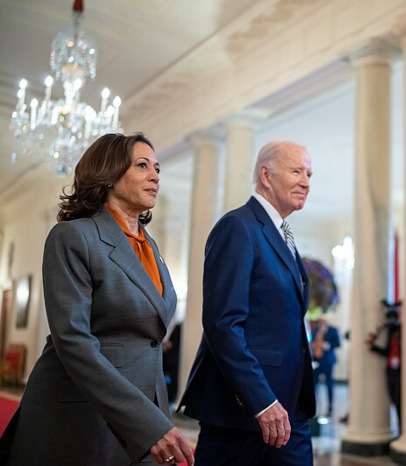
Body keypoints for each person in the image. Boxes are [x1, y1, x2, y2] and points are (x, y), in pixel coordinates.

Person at [0, 133, 194, 465]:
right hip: (85, 410)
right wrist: (146, 423)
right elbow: (73, 340)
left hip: (146, 403)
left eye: (158, 169)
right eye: (143, 166)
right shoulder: (73, 236)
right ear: (109, 173)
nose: (155, 176)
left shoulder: (151, 247)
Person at [179, 140, 316, 465]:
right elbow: (222, 324)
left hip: (291, 407)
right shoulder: (238, 227)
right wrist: (261, 401)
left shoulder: (283, 234)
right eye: (296, 171)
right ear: (266, 175)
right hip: (244, 412)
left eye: (309, 174)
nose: (307, 182)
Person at [365, 301, 402, 432]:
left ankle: (401, 429)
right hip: (390, 370)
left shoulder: (403, 332)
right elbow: (387, 351)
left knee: (399, 402)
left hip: (401, 372)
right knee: (393, 399)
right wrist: (372, 346)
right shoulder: (390, 332)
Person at [309, 315, 341, 417]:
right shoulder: (315, 330)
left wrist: (327, 345)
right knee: (314, 385)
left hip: (327, 361)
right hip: (317, 360)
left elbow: (337, 343)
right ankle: (314, 407)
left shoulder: (333, 330)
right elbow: (312, 341)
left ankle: (330, 408)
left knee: (329, 384)